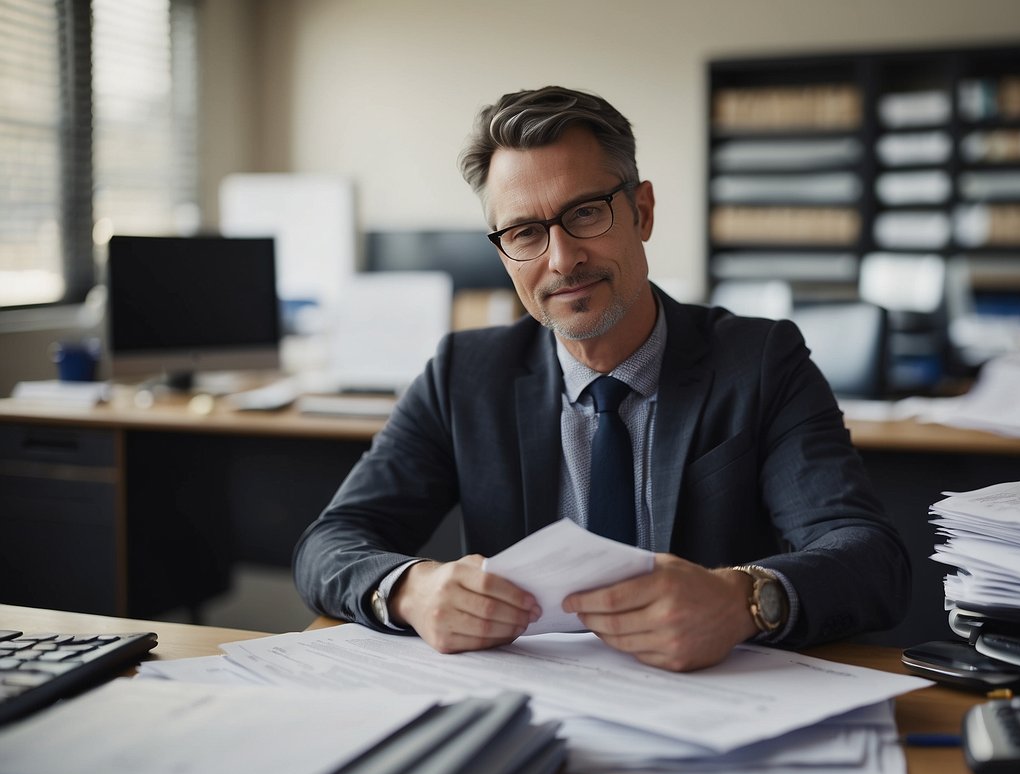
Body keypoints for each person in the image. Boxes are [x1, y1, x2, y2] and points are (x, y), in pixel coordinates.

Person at [293, 86, 909, 672]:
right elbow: (330, 544)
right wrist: (410, 590)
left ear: (641, 211)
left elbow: (870, 559)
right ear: (504, 252)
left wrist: (745, 600)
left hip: (708, 699)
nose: (561, 259)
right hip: (527, 707)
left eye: (585, 213)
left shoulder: (760, 360)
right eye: (525, 233)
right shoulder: (465, 374)